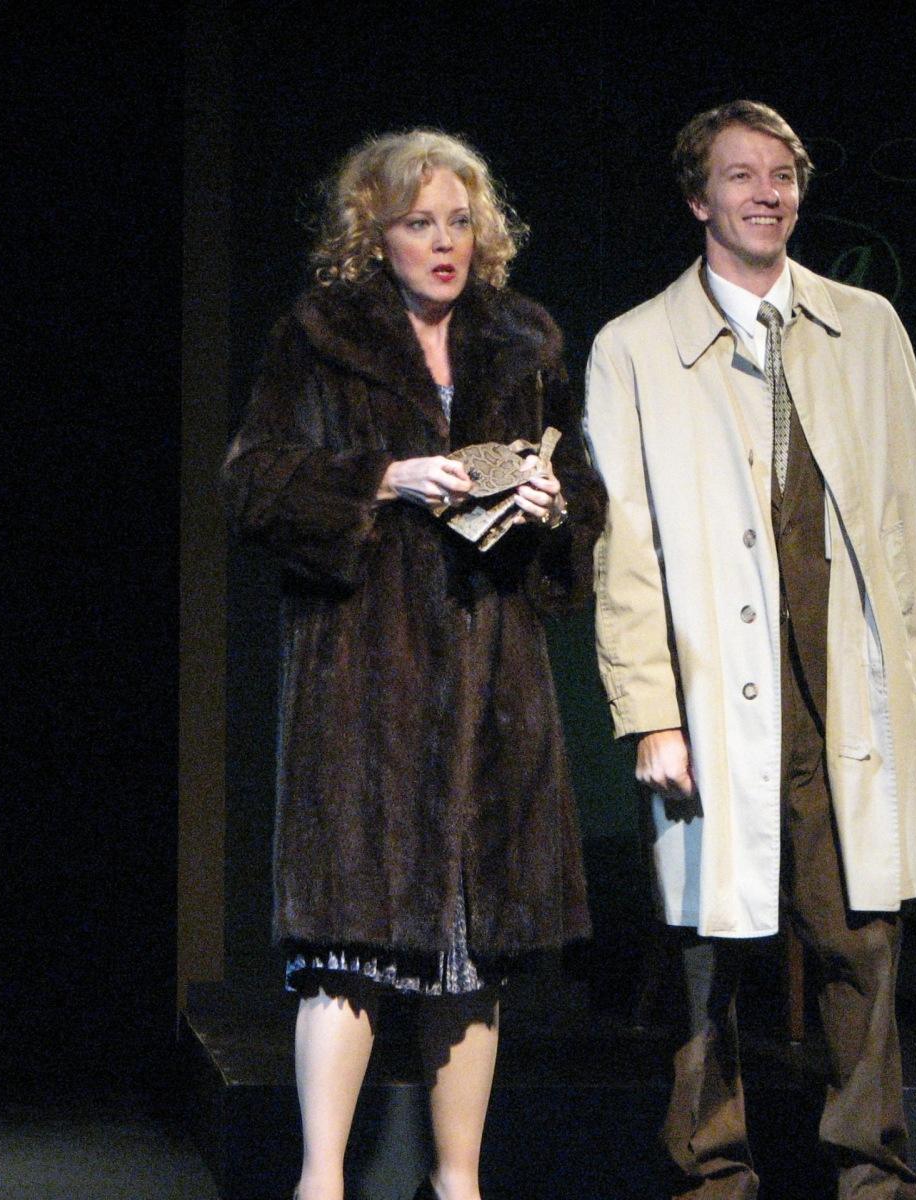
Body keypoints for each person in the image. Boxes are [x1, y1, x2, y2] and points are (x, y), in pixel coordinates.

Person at [223, 129, 604, 1200]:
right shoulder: (319, 340)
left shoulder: (522, 343)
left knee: (471, 955)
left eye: (459, 222)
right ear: (375, 235)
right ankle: (321, 1181)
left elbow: (582, 495)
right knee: (347, 945)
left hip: (492, 684)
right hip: (363, 684)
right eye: (418, 222)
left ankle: (457, 1182)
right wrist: (382, 480)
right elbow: (253, 484)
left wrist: (555, 505)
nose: (444, 243)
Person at [584, 100, 916, 1200]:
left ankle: (873, 1174)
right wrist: (650, 711)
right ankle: (711, 1174)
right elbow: (625, 548)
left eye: (782, 174)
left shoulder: (865, 327)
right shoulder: (635, 348)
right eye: (740, 175)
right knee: (707, 950)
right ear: (698, 198)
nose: (766, 193)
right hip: (712, 700)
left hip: (844, 686)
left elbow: (910, 515)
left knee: (860, 940)